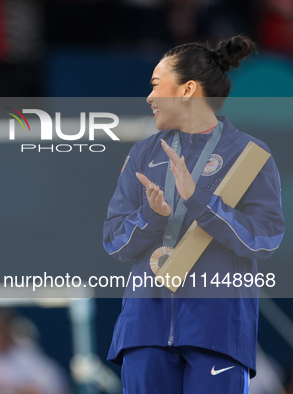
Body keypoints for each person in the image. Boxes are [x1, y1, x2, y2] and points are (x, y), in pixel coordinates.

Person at [103, 36, 285, 393]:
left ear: (187, 89)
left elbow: (266, 239)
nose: (149, 97)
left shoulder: (249, 155)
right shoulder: (144, 154)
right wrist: (153, 216)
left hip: (217, 329)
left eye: (156, 85)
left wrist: (197, 199)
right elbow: (114, 241)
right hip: (145, 328)